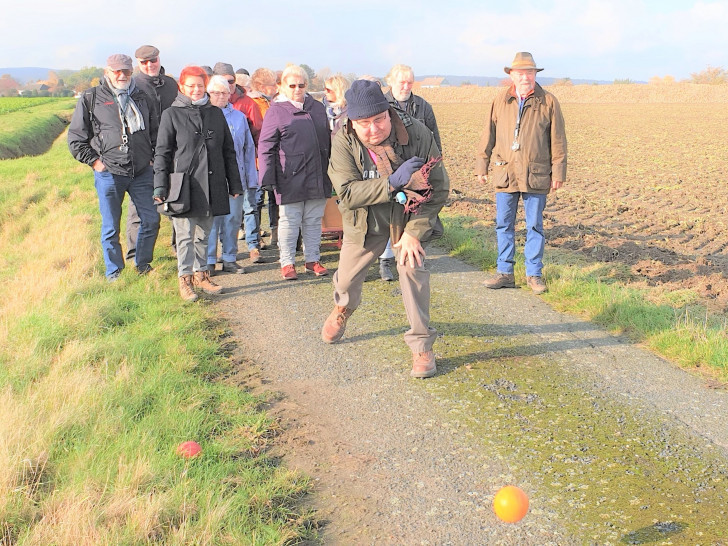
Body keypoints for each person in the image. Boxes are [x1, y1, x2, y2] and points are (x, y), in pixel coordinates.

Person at [321, 80, 449, 378]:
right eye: (364, 123)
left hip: (407, 217)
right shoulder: (344, 141)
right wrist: (392, 183)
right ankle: (343, 308)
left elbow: (439, 188)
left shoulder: (417, 133)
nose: (373, 129)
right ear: (352, 121)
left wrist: (414, 232)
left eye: (379, 119)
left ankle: (421, 345)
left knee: (411, 268)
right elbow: (349, 194)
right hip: (365, 219)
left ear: (389, 112)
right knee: (347, 278)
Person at [475, 52, 567, 295]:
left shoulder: (548, 101)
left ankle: (534, 275)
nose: (525, 77)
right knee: (504, 224)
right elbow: (488, 134)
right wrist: (481, 165)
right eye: (520, 73)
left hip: (535, 173)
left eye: (529, 72)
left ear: (535, 75)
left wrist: (558, 172)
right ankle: (505, 272)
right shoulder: (500, 100)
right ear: (512, 75)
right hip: (505, 172)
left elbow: (558, 140)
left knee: (534, 225)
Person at [153, 66, 243, 302]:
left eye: (200, 86)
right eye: (190, 86)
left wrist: (234, 184)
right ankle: (185, 279)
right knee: (184, 236)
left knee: (204, 234)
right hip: (182, 186)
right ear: (182, 87)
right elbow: (162, 153)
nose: (195, 90)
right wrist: (160, 187)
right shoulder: (171, 115)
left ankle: (202, 275)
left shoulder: (215, 113)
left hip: (212, 184)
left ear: (206, 87)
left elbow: (228, 151)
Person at [68, 53, 160, 282]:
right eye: (117, 71)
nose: (122, 75)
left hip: (141, 171)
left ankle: (142, 264)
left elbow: (156, 132)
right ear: (107, 71)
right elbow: (76, 138)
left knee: (151, 220)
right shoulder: (91, 98)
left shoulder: (141, 96)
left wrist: (152, 158)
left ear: (132, 72)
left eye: (126, 71)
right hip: (109, 173)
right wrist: (95, 162)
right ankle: (114, 272)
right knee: (111, 227)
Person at [257, 64, 331, 280]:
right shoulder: (276, 111)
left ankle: (312, 259)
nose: (297, 89)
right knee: (289, 220)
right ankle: (287, 262)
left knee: (314, 219)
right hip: (290, 175)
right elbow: (266, 146)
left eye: (302, 85)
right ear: (282, 86)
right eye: (292, 85)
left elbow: (327, 140)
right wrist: (267, 176)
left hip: (318, 174)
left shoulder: (317, 108)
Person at [126, 44, 178, 261]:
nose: (149, 65)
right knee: (140, 210)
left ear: (159, 59)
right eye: (144, 62)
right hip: (144, 159)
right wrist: (143, 157)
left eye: (153, 60)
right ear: (138, 64)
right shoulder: (131, 86)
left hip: (172, 154)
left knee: (178, 203)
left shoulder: (171, 85)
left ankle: (180, 250)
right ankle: (135, 256)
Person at [205, 75, 258, 274]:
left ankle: (229, 257)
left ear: (230, 94)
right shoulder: (203, 116)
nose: (220, 96)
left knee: (233, 218)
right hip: (210, 178)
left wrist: (250, 180)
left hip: (235, 176)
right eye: (215, 93)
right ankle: (209, 260)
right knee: (211, 221)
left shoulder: (239, 117)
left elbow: (248, 149)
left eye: (224, 93)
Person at [249, 67, 280, 249]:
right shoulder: (254, 103)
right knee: (258, 199)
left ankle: (276, 233)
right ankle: (256, 235)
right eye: (272, 84)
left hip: (275, 156)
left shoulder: (273, 102)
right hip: (258, 158)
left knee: (276, 197)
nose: (276, 87)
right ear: (261, 86)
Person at [384, 64, 441, 151]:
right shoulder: (381, 105)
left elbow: (434, 137)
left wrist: (437, 160)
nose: (406, 87)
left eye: (410, 83)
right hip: (392, 161)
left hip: (419, 160)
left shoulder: (423, 106)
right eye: (402, 83)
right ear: (391, 82)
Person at [213, 62, 263, 145]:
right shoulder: (209, 102)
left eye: (231, 81)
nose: (228, 85)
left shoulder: (249, 104)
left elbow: (259, 132)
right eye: (224, 81)